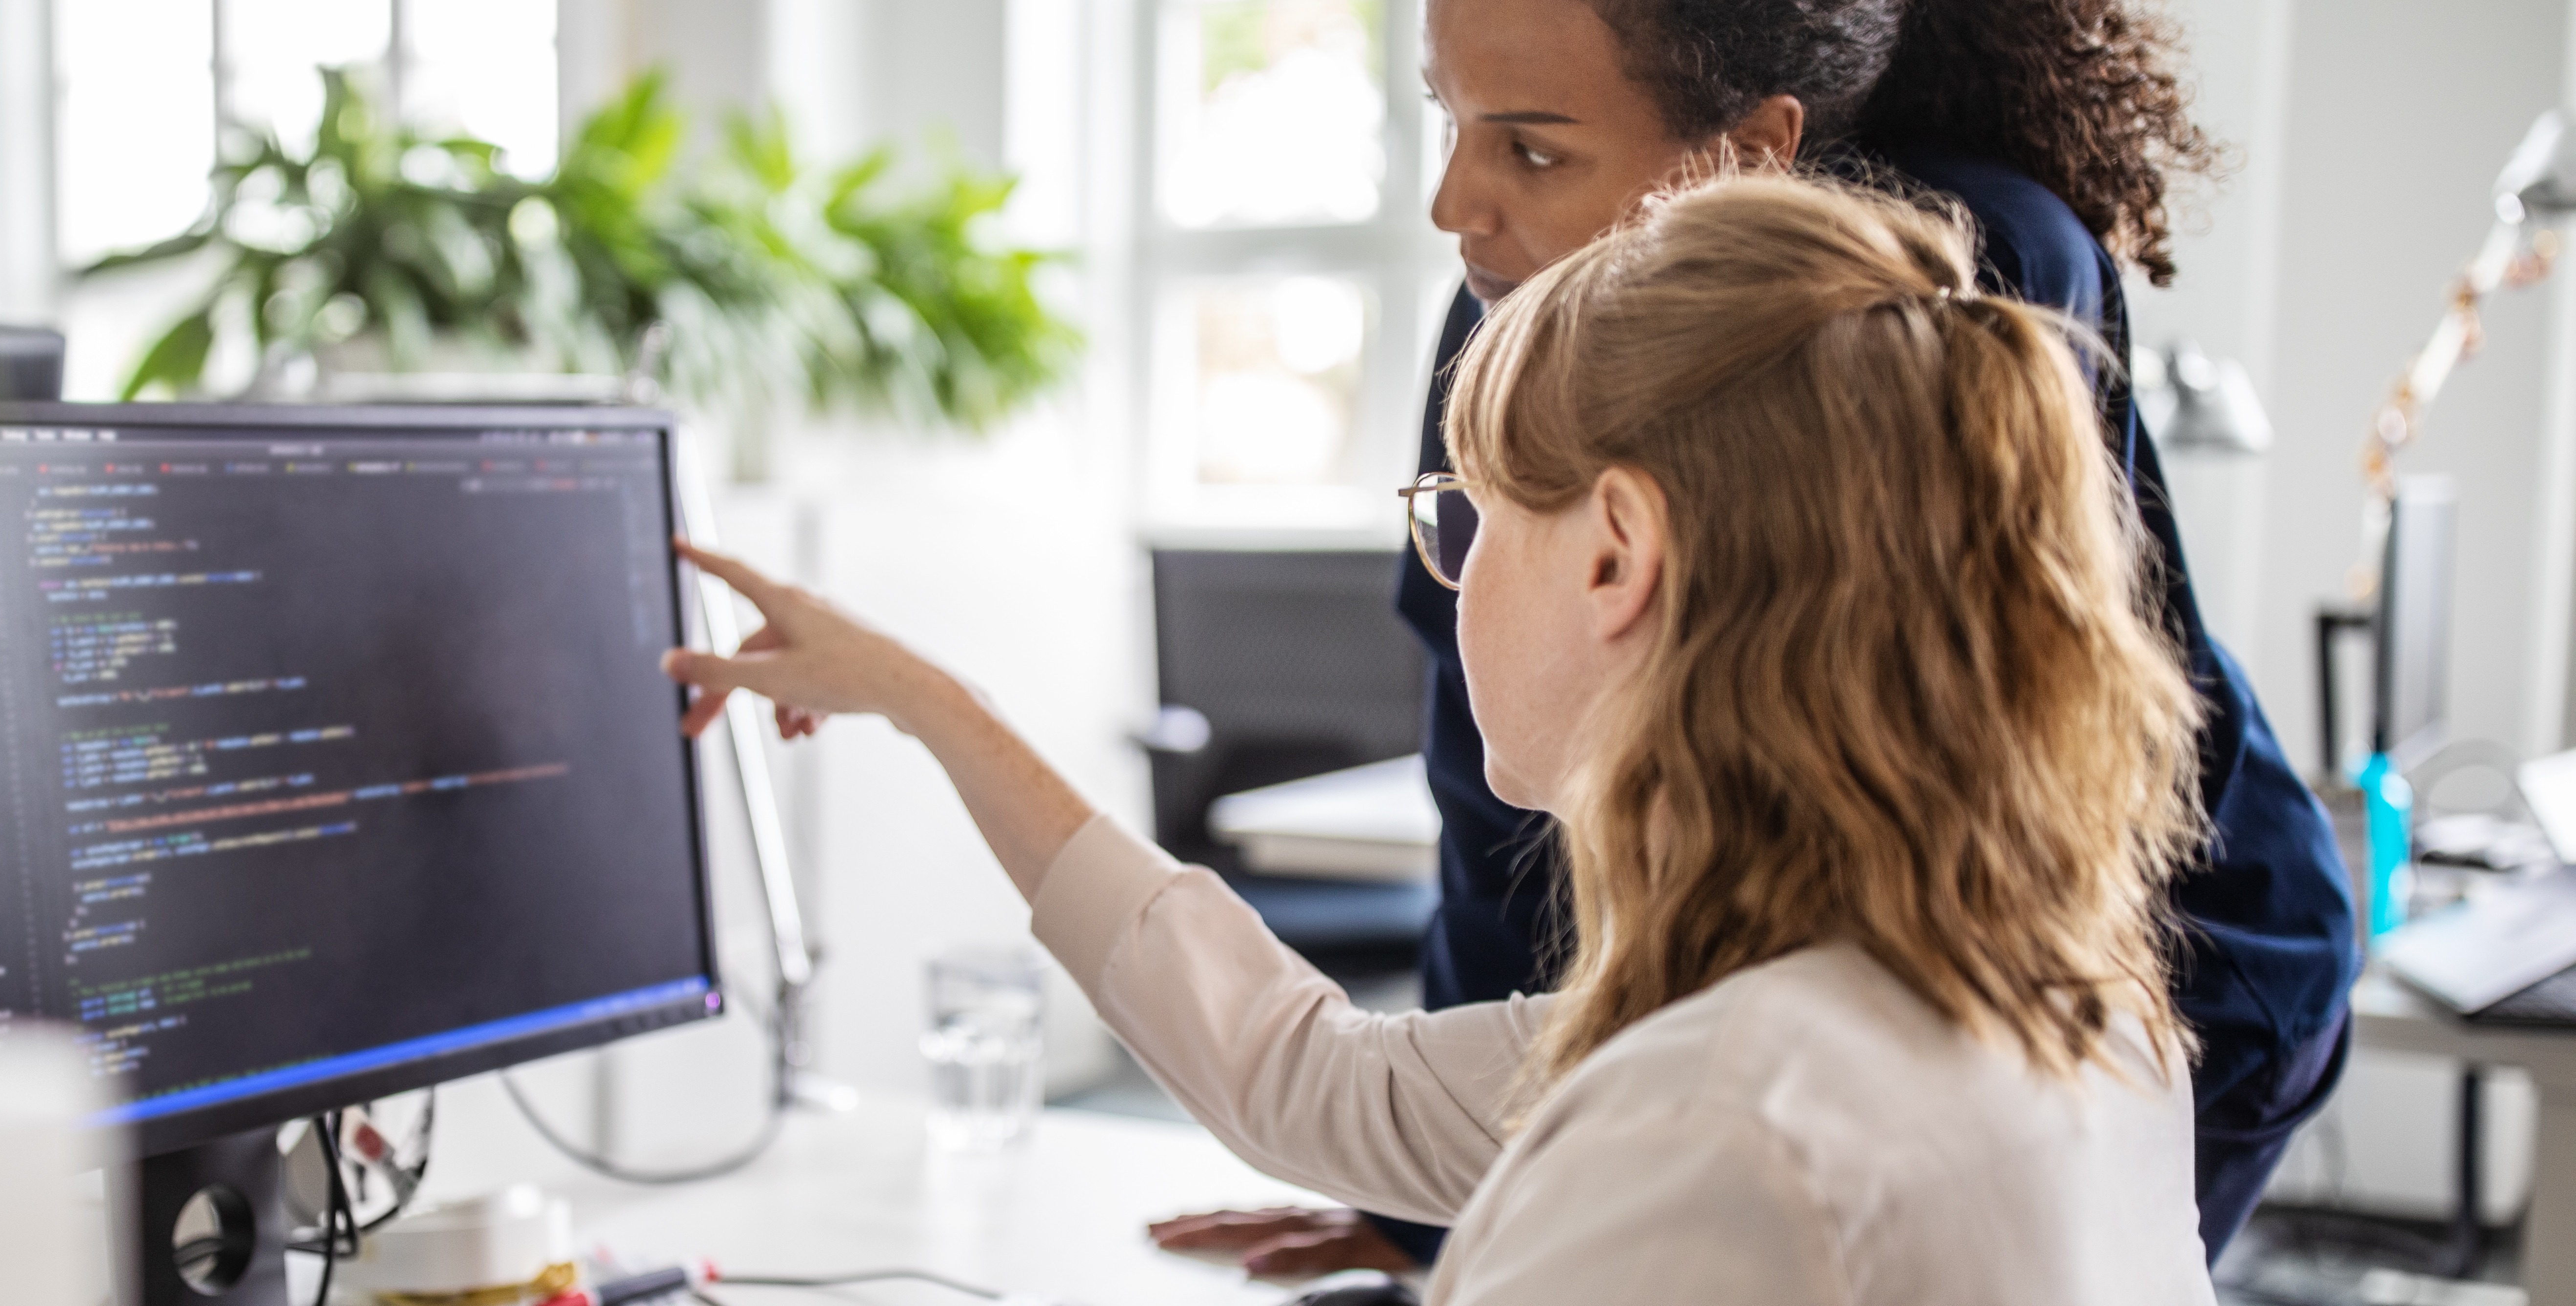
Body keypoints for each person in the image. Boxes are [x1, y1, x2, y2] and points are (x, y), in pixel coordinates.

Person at [1153, 0, 2356, 1274]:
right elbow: (1499, 801)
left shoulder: (1955, 284)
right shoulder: (1505, 311)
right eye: (1447, 120)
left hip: (2172, 971)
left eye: (1532, 146)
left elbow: (1994, 776)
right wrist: (1441, 1206)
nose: (1456, 206)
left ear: (1754, 148)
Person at [669, 174, 2218, 1302]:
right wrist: (948, 711)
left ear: (1616, 554)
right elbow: (1313, 1078)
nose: (1450, 576)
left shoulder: (1718, 1128)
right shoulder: (2052, 1001)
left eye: (1471, 516)